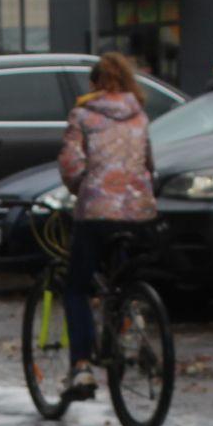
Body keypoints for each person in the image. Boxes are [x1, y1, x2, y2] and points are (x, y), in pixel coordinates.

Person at [56, 51, 156, 399]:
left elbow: (71, 165)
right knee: (126, 280)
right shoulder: (140, 116)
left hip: (98, 211)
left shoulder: (83, 114)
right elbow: (148, 163)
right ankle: (130, 332)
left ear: (96, 83)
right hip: (140, 212)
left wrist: (81, 187)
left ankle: (82, 368)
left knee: (77, 288)